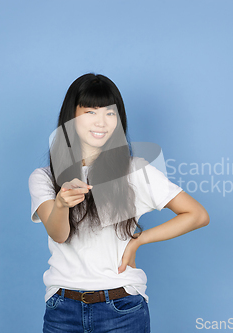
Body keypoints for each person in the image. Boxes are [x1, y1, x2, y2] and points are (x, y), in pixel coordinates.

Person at [28, 73, 210, 332]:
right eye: (90, 112)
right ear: (72, 116)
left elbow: (197, 214)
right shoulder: (45, 177)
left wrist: (140, 240)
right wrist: (60, 205)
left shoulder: (135, 171)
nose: (101, 122)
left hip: (121, 307)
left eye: (110, 113)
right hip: (62, 309)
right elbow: (59, 235)